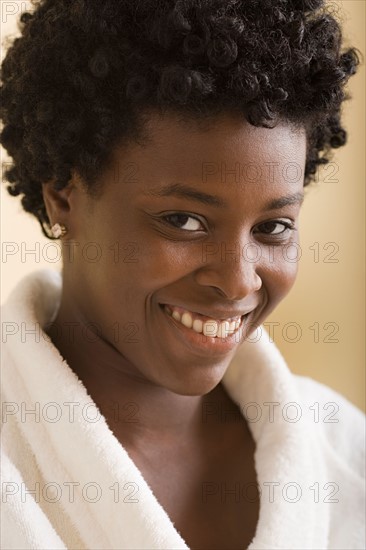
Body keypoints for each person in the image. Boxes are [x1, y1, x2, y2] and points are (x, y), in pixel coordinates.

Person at [0, 0, 364, 548]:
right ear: (62, 195)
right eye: (184, 221)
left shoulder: (345, 450)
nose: (239, 282)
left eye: (273, 227)